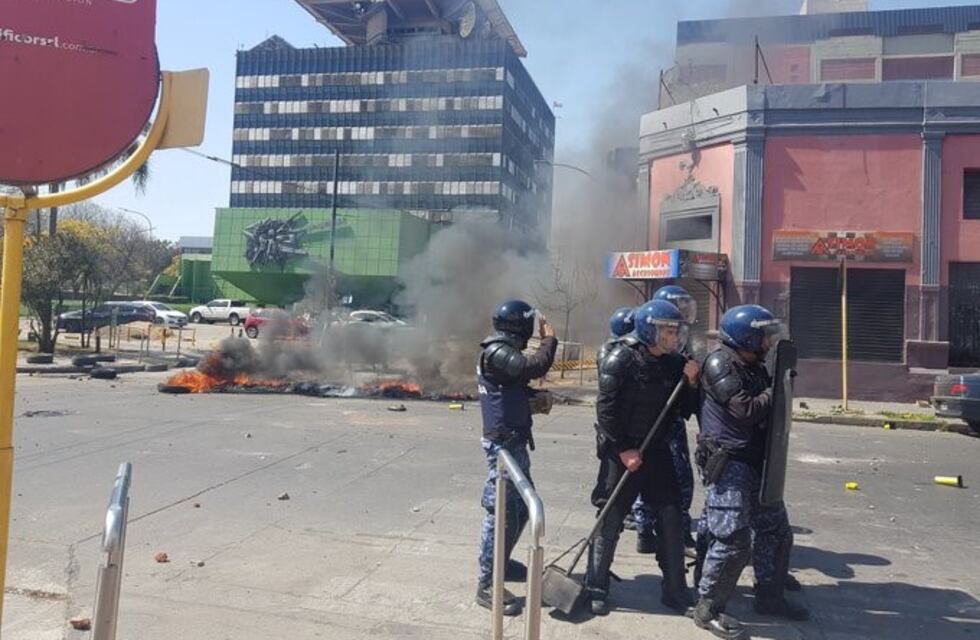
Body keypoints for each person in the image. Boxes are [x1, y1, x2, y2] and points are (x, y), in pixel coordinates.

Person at [692, 305, 809, 640]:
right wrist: (777, 388)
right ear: (746, 336)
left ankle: (769, 597)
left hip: (759, 462)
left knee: (776, 532)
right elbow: (745, 410)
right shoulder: (720, 363)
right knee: (733, 541)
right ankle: (708, 608)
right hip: (730, 462)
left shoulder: (755, 364)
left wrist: (777, 381)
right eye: (764, 335)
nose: (770, 341)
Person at [586, 300, 700, 616]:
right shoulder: (621, 358)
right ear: (650, 329)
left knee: (672, 517)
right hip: (621, 453)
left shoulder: (675, 362)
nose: (673, 336)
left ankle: (676, 590)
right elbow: (605, 409)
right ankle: (595, 586)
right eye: (667, 330)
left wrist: (691, 381)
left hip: (657, 451)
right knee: (609, 519)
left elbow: (686, 409)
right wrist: (624, 449)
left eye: (675, 330)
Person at [475, 299, 558, 615]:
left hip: (515, 444)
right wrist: (549, 339)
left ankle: (502, 561)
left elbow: (513, 384)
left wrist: (531, 399)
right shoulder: (496, 350)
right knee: (500, 515)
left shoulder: (501, 350)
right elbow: (531, 368)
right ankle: (486, 584)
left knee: (523, 510)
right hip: (502, 449)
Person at [628, 285, 700, 555]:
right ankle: (650, 532)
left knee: (678, 480)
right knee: (660, 480)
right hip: (652, 426)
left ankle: (671, 532)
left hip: (672, 422)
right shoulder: (641, 349)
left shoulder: (680, 342)